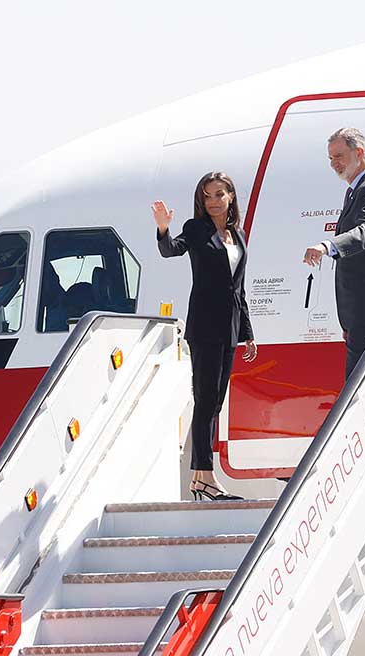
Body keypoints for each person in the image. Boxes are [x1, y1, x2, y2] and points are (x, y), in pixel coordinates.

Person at [153, 172, 257, 500]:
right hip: (204, 327)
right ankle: (206, 475)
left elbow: (238, 288)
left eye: (218, 194)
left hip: (228, 330)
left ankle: (199, 478)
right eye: (206, 196)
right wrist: (163, 228)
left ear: (230, 197)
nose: (212, 201)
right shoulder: (196, 230)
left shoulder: (237, 235)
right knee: (205, 401)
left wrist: (248, 333)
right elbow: (172, 250)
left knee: (216, 404)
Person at [303, 128, 365, 379]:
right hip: (361, 312)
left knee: (362, 389)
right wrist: (348, 322)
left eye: (339, 156)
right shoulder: (355, 191)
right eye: (330, 158)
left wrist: (328, 246)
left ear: (359, 152)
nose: (334, 164)